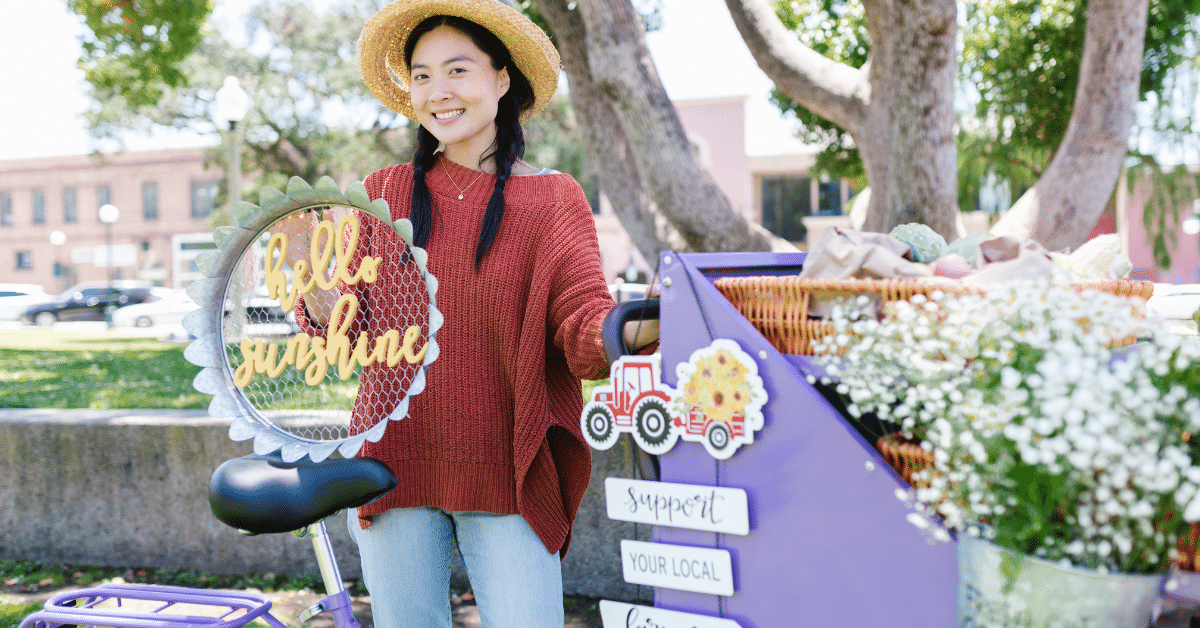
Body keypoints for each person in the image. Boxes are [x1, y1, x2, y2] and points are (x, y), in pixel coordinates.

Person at [289, 1, 658, 626]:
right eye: (423, 75)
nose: (439, 92)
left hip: (509, 470)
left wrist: (659, 318)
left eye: (458, 70)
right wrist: (310, 277)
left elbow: (582, 333)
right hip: (389, 464)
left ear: (503, 78)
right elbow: (346, 331)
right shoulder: (383, 194)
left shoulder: (552, 199)